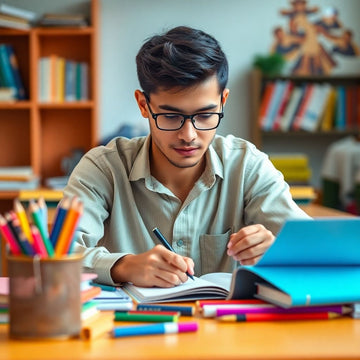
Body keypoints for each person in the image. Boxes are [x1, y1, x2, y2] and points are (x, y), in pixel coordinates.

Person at [63, 26, 311, 287]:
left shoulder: (247, 165)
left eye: (205, 115)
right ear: (143, 105)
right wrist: (123, 266)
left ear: (223, 101)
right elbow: (56, 255)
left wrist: (277, 253)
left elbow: (316, 251)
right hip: (135, 325)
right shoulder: (103, 168)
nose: (189, 135)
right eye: (171, 116)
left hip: (229, 326)